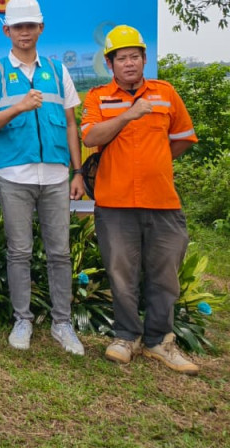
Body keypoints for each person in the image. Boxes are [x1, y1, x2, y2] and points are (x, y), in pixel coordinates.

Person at [82, 25, 199, 374]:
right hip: (115, 203)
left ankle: (160, 340)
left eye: (135, 56)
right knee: (122, 272)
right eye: (121, 58)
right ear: (110, 63)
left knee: (165, 274)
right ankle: (125, 336)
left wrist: (154, 164)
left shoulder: (165, 94)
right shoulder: (98, 97)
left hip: (162, 201)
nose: (129, 63)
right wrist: (128, 115)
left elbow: (181, 139)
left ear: (145, 59)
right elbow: (91, 137)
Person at [0, 0, 86, 355]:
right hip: (15, 174)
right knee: (19, 251)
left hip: (56, 174)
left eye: (30, 26)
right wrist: (20, 106)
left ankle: (62, 323)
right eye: (18, 26)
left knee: (59, 253)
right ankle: (22, 319)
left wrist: (78, 171)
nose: (24, 32)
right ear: (7, 30)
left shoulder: (57, 70)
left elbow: (71, 123)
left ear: (41, 28)